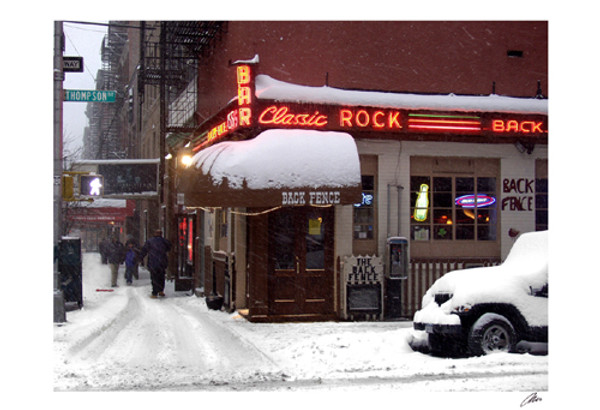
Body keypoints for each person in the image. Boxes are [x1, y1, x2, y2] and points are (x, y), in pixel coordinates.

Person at [140, 229, 172, 298]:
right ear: (161, 234)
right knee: (161, 277)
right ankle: (161, 290)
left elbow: (144, 250)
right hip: (162, 262)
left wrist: (141, 257)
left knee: (154, 278)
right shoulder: (164, 241)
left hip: (153, 262)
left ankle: (154, 292)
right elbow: (169, 248)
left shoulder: (150, 241)